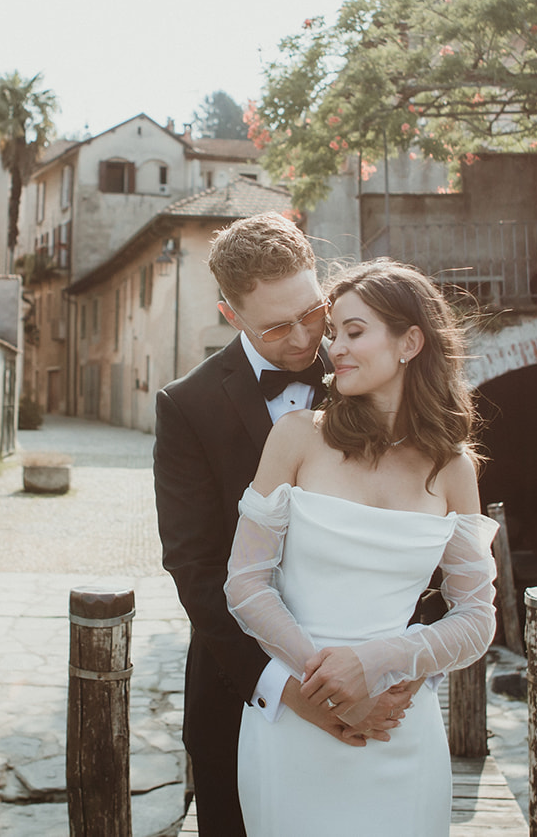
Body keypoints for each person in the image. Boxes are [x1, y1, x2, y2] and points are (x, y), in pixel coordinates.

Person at [154, 214, 417, 837]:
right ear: (231, 315)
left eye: (313, 311)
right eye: (276, 326)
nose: (304, 338)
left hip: (378, 688)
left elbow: (421, 534)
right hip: (244, 696)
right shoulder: (186, 407)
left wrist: (392, 668)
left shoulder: (374, 373)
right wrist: (291, 690)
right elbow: (194, 569)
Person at [224, 258, 499, 837]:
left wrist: (378, 664)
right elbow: (245, 583)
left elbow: (477, 619)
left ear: (410, 341)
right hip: (295, 727)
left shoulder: (453, 468)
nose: (334, 349)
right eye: (334, 334)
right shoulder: (297, 437)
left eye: (354, 332)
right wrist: (322, 686)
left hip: (398, 726)